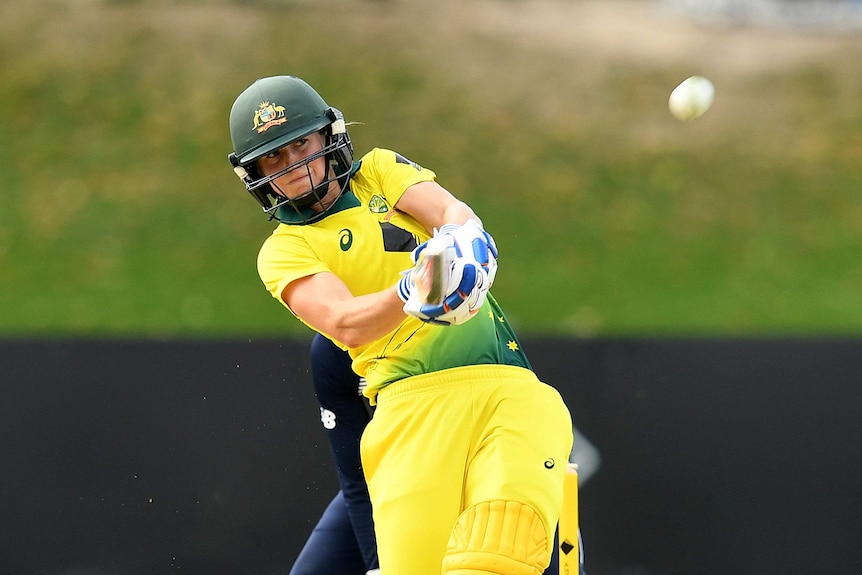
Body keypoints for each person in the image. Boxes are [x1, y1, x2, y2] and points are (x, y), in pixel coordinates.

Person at [228, 75, 574, 575]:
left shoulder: (379, 171)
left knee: (501, 549)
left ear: (327, 138)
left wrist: (468, 239)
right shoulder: (283, 251)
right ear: (256, 174)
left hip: (505, 387)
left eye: (300, 144)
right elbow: (345, 323)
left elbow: (448, 212)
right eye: (274, 159)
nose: (295, 166)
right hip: (409, 408)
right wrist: (415, 291)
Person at [291, 333, 572, 575]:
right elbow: (355, 474)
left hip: (487, 454)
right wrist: (378, 564)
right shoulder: (331, 351)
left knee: (512, 545)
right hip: (402, 476)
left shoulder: (451, 324)